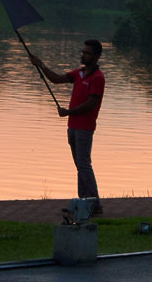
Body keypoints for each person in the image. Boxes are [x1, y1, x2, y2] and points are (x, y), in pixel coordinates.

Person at [29, 38, 106, 215]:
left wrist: (68, 112)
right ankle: (84, 202)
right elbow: (56, 79)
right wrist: (40, 65)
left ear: (96, 56)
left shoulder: (97, 78)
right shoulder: (79, 73)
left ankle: (95, 204)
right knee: (80, 165)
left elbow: (90, 104)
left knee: (84, 164)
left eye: (87, 53)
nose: (83, 55)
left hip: (84, 127)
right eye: (83, 51)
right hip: (72, 126)